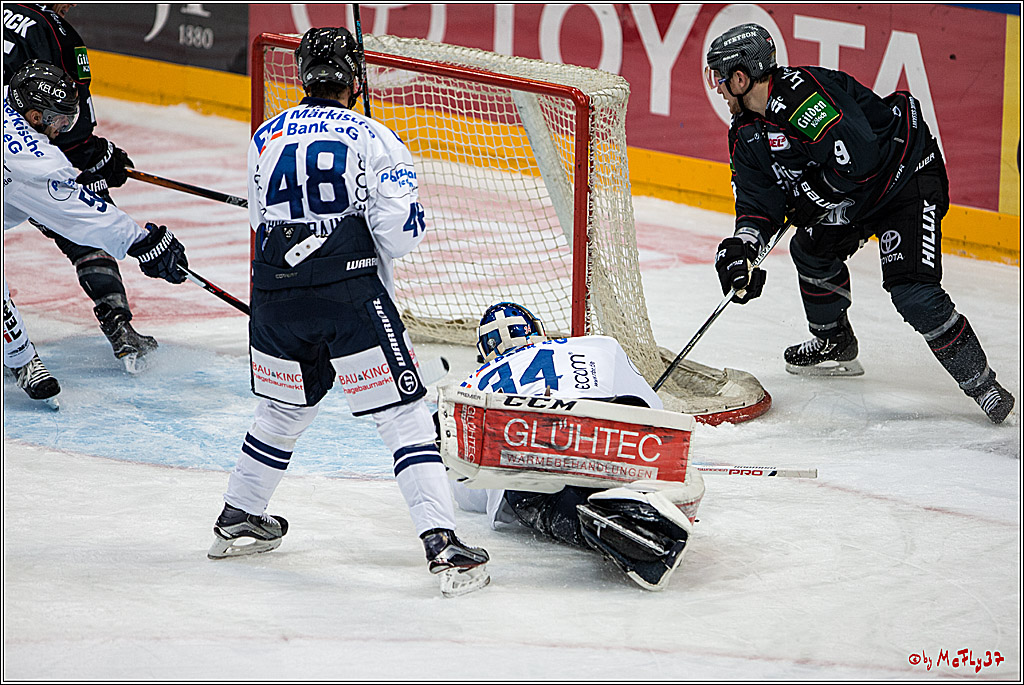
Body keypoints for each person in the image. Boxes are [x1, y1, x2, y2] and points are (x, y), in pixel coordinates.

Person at [207, 27, 489, 599]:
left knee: (283, 412)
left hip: (274, 292)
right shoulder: (376, 137)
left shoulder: (265, 135)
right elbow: (396, 234)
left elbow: (264, 219)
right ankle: (442, 544)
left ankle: (238, 516)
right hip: (350, 293)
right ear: (355, 79)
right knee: (404, 418)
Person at [705, 23, 1014, 424]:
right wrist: (741, 250)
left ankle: (982, 383)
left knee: (913, 291)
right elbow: (757, 206)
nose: (718, 87)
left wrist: (807, 194)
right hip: (853, 197)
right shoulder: (746, 134)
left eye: (721, 77)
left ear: (741, 78)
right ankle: (835, 342)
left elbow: (861, 159)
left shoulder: (802, 97)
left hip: (903, 178)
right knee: (810, 249)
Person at [448, 302, 703, 591]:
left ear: (484, 355)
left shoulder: (472, 387)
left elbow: (468, 490)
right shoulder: (597, 345)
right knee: (615, 454)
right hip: (605, 427)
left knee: (542, 493)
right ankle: (636, 495)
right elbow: (652, 409)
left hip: (534, 452)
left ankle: (612, 528)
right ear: (538, 331)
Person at [4, 60, 189, 406]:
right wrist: (143, 242)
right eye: (58, 120)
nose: (62, 128)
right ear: (33, 117)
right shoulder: (31, 160)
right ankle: (22, 359)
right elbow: (79, 212)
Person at [4, 3, 157, 373]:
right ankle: (118, 321)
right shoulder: (54, 30)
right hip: (25, 156)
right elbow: (65, 119)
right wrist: (98, 156)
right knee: (84, 215)